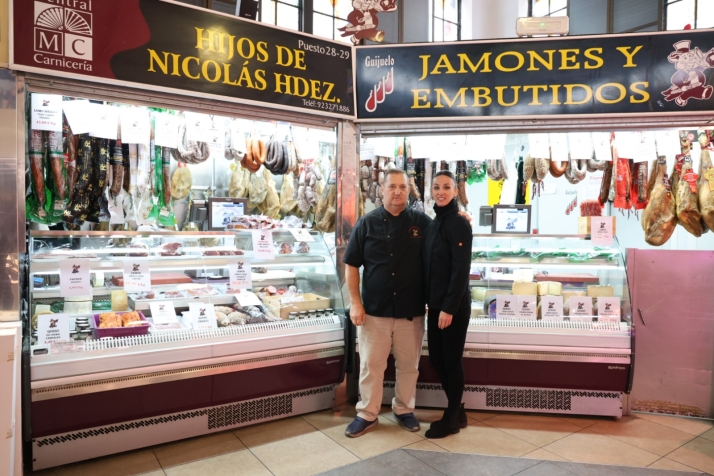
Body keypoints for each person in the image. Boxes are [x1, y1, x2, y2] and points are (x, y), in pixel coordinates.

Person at [342, 168, 431, 437]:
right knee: (371, 366)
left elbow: (437, 257)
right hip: (374, 312)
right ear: (382, 189)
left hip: (411, 311)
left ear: (408, 190)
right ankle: (367, 413)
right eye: (392, 186)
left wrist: (460, 219)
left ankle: (404, 409)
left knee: (408, 366)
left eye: (402, 187)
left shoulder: (423, 223)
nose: (397, 192)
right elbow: (351, 266)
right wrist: (355, 303)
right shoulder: (366, 223)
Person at [422, 170, 473, 439]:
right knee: (437, 359)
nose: (441, 191)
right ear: (431, 191)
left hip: (452, 308)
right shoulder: (433, 224)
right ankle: (459, 410)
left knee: (451, 361)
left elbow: (461, 269)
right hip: (436, 306)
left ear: (455, 191)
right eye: (436, 187)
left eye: (446, 187)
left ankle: (452, 417)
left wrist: (449, 308)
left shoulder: (458, 223)